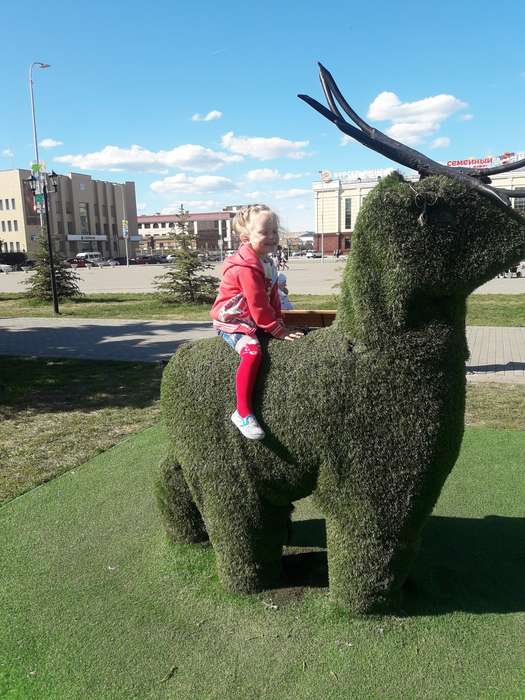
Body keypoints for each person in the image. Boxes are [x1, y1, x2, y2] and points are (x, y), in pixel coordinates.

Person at [210, 205, 303, 440]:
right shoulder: (247, 267)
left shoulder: (267, 263)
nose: (272, 237)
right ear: (246, 237)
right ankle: (241, 412)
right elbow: (258, 305)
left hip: (251, 317)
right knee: (252, 352)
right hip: (234, 320)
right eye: (265, 232)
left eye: (274, 231)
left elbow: (272, 298)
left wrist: (279, 321)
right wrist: (277, 330)